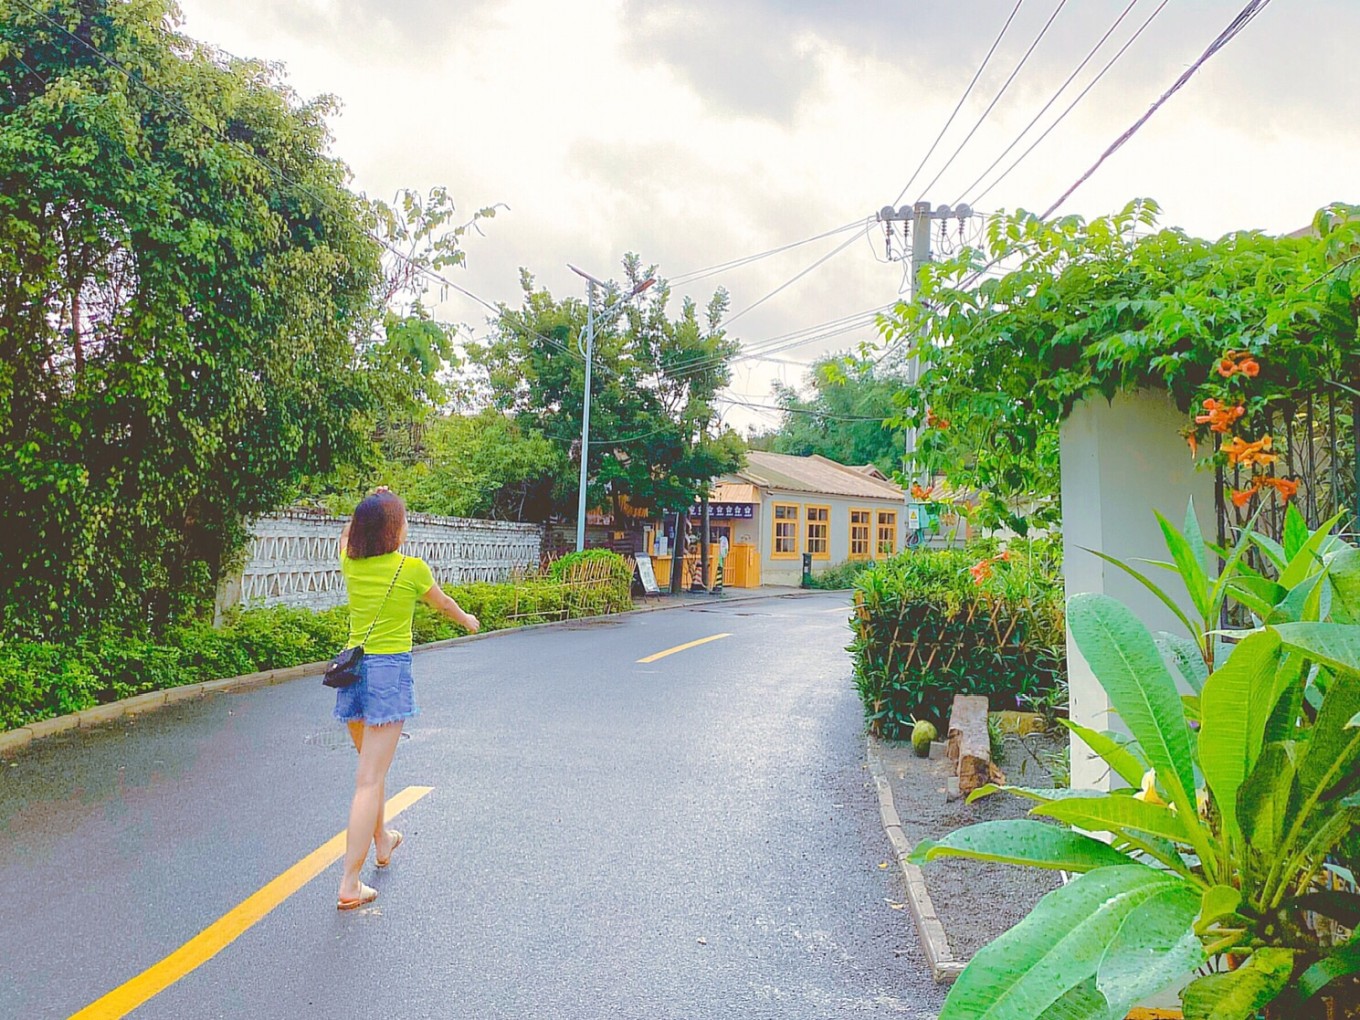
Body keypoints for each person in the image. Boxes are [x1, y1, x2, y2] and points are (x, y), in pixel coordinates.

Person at [334, 488, 479, 910]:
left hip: (353, 672)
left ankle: (382, 839)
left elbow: (346, 534)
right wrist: (466, 619)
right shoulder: (411, 569)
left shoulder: (351, 563)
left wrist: (368, 502)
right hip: (387, 674)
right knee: (369, 779)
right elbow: (443, 603)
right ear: (393, 529)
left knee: (372, 771)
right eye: (404, 521)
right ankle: (349, 883)